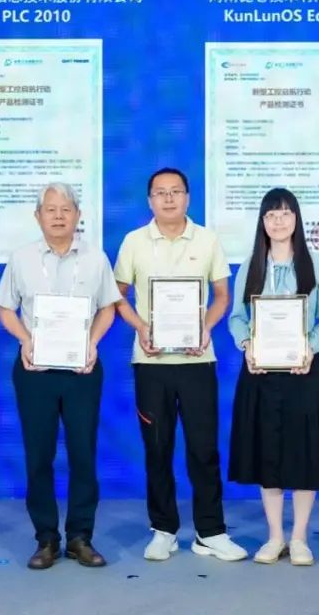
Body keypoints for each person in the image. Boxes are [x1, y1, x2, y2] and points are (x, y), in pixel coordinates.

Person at [113, 167, 247, 562]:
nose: (168, 198)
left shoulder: (207, 240)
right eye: (160, 192)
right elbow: (117, 295)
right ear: (150, 200)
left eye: (176, 191)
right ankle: (164, 530)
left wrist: (205, 327)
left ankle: (211, 532)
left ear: (188, 197)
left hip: (196, 359)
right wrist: (141, 328)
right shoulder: (134, 241)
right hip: (151, 362)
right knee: (157, 449)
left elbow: (222, 296)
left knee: (203, 449)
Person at [0, 183, 120, 569]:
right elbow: (5, 309)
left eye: (66, 209)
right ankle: (46, 538)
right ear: (38, 216)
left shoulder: (96, 258)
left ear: (78, 215)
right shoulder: (22, 258)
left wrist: (93, 342)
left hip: (82, 369)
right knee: (39, 455)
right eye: (51, 209)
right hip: (36, 370)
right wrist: (25, 339)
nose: (59, 215)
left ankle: (80, 537)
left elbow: (108, 308)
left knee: (83, 454)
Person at [227, 188, 319, 566]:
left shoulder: (316, 263)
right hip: (260, 374)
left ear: (296, 219)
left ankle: (300, 537)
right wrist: (248, 345)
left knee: (304, 455)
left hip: (302, 372)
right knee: (269, 455)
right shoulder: (252, 264)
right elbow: (237, 317)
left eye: (286, 213)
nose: (278, 221)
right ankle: (275, 536)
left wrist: (311, 348)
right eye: (271, 215)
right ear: (262, 222)